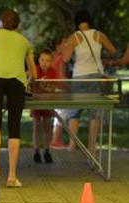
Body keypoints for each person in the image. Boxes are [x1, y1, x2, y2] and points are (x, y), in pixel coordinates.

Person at [0, 10, 37, 187]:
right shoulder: (24, 41)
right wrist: (27, 81)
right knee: (14, 126)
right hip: (17, 83)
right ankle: (12, 176)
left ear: (1, 23)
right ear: (18, 25)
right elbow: (34, 73)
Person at [62, 9, 116, 157]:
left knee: (74, 112)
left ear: (77, 22)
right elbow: (113, 50)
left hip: (79, 76)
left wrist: (66, 47)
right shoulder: (99, 35)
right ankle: (92, 147)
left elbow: (65, 59)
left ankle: (72, 144)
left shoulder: (75, 37)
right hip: (96, 77)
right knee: (95, 112)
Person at [31, 49, 56, 163]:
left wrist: (45, 87)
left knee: (47, 127)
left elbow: (52, 89)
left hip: (48, 102)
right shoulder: (34, 70)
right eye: (42, 60)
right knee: (36, 126)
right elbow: (29, 83)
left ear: (51, 62)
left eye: (47, 60)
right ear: (39, 60)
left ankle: (47, 150)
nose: (44, 63)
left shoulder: (53, 72)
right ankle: (36, 151)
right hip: (35, 102)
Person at [50, 38, 70, 149]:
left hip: (53, 90)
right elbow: (62, 77)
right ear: (58, 46)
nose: (66, 46)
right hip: (60, 89)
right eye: (64, 44)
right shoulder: (61, 58)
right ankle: (55, 141)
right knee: (62, 115)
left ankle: (58, 140)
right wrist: (71, 87)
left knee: (58, 114)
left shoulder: (53, 56)